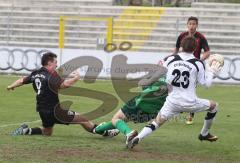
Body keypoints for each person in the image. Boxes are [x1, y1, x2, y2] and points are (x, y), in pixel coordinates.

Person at [129, 36, 222, 149]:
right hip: (190, 102)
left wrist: (148, 81)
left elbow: (159, 73)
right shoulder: (198, 63)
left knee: (156, 122)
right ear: (195, 48)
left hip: (172, 102)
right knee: (214, 106)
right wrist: (212, 72)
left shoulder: (171, 59)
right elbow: (206, 84)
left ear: (181, 47)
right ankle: (204, 133)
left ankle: (138, 137)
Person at [7, 52, 118, 137]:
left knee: (47, 131)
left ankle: (27, 130)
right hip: (55, 111)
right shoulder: (51, 76)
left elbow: (21, 80)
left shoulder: (36, 73)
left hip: (42, 111)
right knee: (83, 119)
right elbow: (64, 85)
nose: (57, 64)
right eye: (55, 62)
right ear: (49, 63)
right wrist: (76, 78)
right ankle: (105, 132)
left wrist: (11, 86)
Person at [93, 67, 168, 148]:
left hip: (139, 104)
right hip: (153, 112)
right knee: (122, 120)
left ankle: (129, 133)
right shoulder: (175, 80)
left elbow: (143, 84)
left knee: (116, 118)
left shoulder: (156, 73)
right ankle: (98, 129)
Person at [173, 16, 211, 125]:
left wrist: (199, 60)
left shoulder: (201, 37)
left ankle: (190, 115)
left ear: (197, 25)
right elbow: (176, 49)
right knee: (178, 88)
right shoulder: (182, 36)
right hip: (182, 66)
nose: (192, 26)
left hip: (194, 68)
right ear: (187, 25)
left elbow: (207, 52)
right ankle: (177, 108)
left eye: (194, 24)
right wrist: (172, 58)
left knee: (191, 90)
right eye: (190, 24)